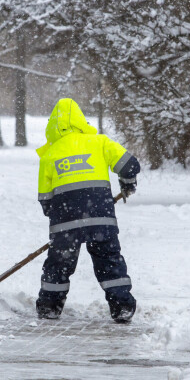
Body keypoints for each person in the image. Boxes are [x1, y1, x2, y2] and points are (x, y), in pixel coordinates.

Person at [36, 98, 140, 323]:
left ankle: (49, 307)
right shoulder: (100, 142)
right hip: (101, 219)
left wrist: (62, 219)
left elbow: (45, 200)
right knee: (109, 260)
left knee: (59, 264)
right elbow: (130, 165)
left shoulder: (50, 154)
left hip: (65, 222)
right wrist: (128, 181)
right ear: (81, 120)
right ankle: (122, 306)